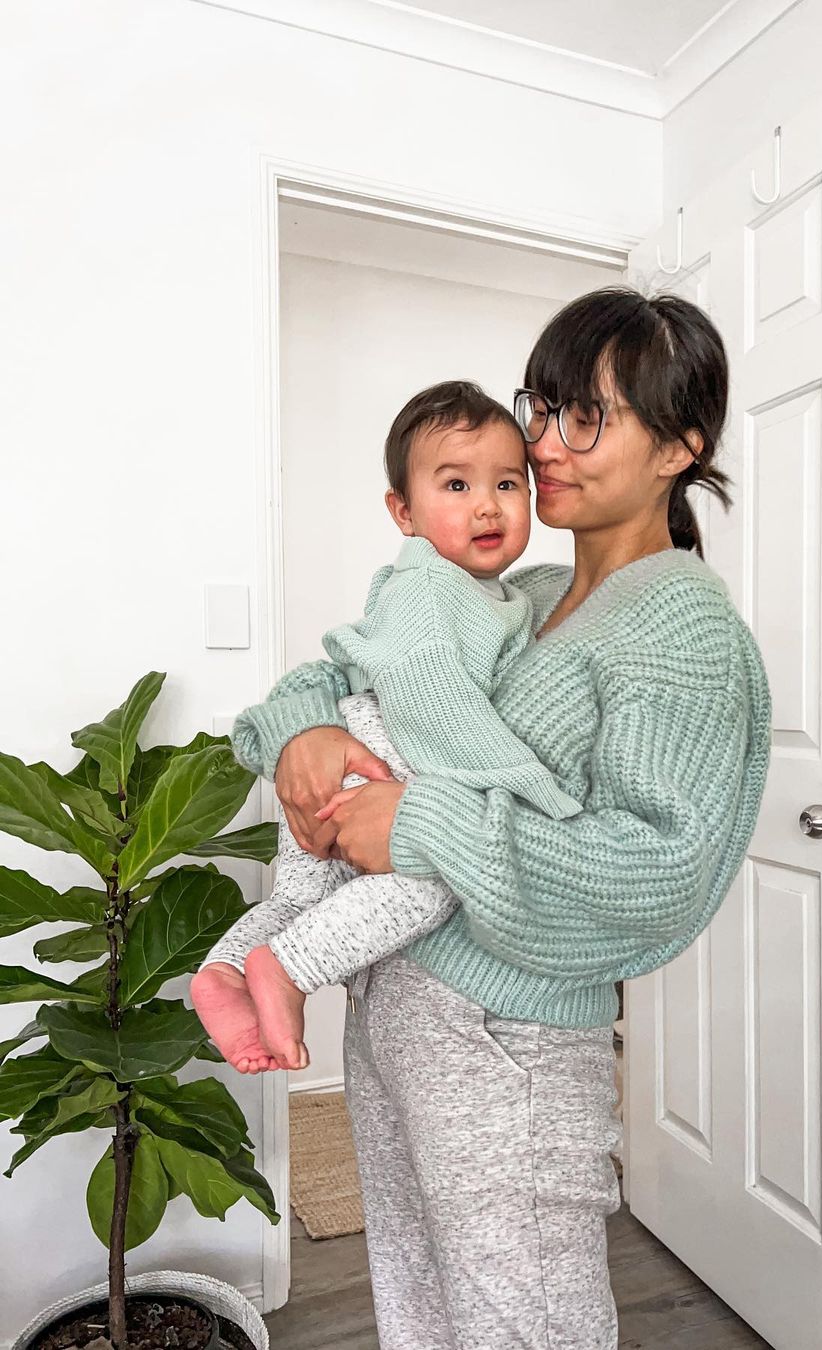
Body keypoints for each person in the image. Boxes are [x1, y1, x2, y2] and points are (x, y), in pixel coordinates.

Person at [212, 287, 771, 1350]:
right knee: (419, 1303)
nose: (545, 444)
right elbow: (361, 665)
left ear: (679, 449)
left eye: (586, 418)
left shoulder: (684, 629)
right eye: (543, 408)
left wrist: (418, 827)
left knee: (524, 1326)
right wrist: (300, 734)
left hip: (507, 1045)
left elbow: (657, 874)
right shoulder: (530, 590)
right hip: (401, 1008)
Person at [191, 381, 583, 1076]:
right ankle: (289, 968)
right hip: (377, 754)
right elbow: (437, 704)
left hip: (345, 748)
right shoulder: (436, 588)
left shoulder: (479, 589)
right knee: (435, 872)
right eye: (456, 485)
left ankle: (226, 970)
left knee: (301, 894)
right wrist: (530, 788)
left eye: (506, 484)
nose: (487, 505)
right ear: (403, 511)